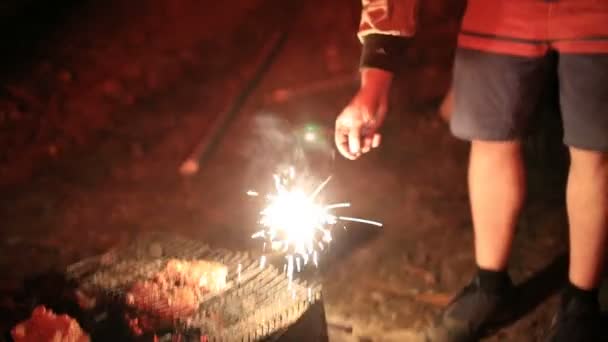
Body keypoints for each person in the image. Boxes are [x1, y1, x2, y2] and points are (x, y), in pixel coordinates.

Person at [334, 1, 608, 341]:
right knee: (489, 136)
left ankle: (582, 304)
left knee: (595, 149)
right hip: (500, 10)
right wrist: (375, 74)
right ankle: (490, 286)